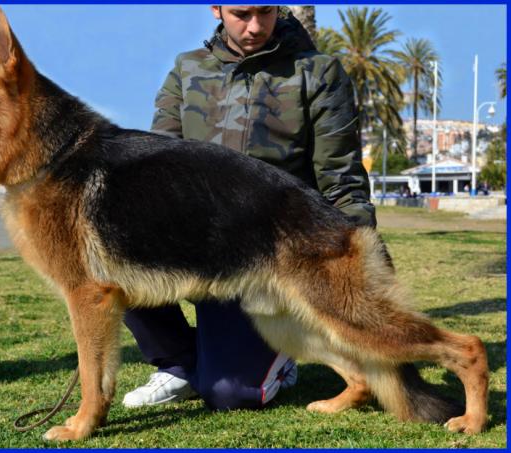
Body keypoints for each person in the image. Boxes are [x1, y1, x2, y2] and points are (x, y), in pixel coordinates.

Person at [122, 5, 377, 411]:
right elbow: (159, 167)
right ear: (216, 9)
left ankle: (280, 356)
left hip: (273, 263)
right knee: (115, 251)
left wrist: (363, 259)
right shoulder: (186, 70)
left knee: (230, 395)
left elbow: (342, 180)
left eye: (266, 12)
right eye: (242, 13)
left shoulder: (317, 72)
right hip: (202, 250)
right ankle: (178, 363)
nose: (255, 26)